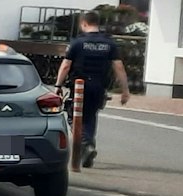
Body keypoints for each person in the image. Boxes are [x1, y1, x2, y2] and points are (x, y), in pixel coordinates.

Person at [55, 11, 130, 167]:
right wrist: (125, 91)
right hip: (99, 85)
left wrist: (58, 86)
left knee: (72, 114)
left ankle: (86, 144)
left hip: (80, 85)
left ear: (84, 23)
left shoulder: (77, 43)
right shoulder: (109, 43)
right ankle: (87, 148)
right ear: (98, 23)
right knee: (90, 116)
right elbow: (119, 67)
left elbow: (66, 65)